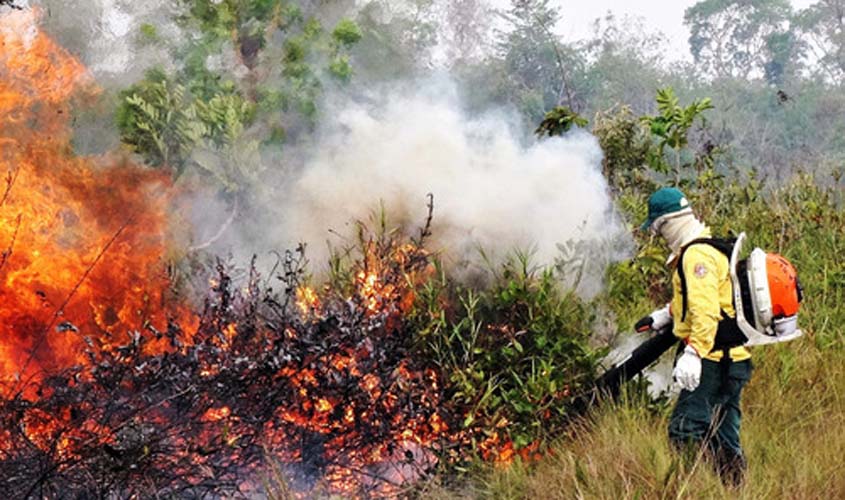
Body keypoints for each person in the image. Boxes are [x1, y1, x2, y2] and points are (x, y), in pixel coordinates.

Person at [637, 187, 752, 487]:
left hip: (712, 361)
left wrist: (694, 354)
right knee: (725, 435)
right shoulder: (710, 247)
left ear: (667, 224)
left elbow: (704, 309)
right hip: (736, 358)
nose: (660, 238)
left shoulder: (695, 255)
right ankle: (734, 489)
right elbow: (702, 299)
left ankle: (696, 489)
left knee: (685, 430)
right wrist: (667, 314)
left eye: (658, 230)